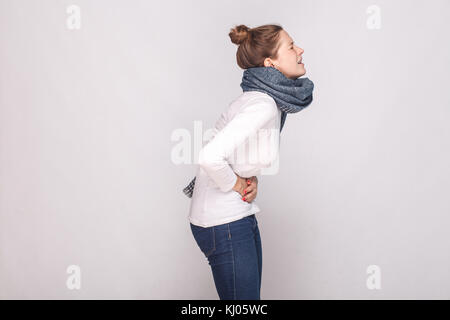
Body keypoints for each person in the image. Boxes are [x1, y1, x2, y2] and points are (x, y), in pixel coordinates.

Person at [186, 23, 314, 300]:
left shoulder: (259, 98)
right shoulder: (262, 104)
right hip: (224, 222)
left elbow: (239, 155)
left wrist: (248, 179)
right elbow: (209, 156)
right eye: (291, 46)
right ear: (270, 62)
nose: (300, 50)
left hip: (235, 216)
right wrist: (236, 183)